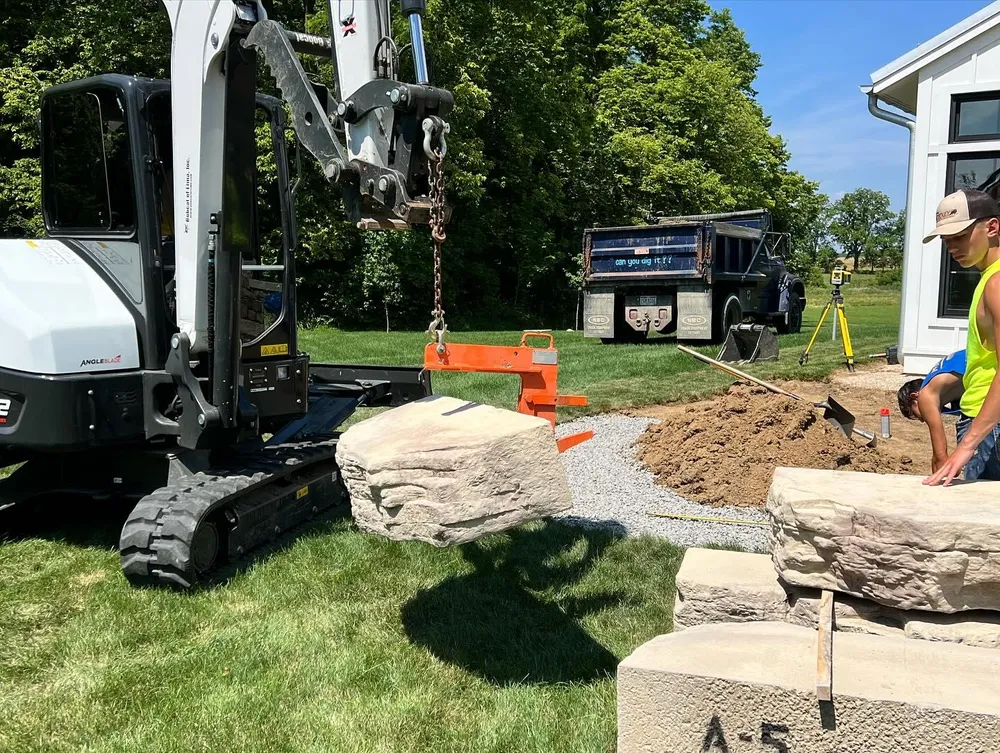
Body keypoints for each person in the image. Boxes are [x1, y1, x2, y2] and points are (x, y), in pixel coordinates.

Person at [923, 189, 1000, 485]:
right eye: (945, 240)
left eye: (959, 236)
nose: (952, 247)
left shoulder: (995, 284)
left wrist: (967, 445)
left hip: (989, 428)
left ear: (991, 227)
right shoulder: (988, 278)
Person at [897, 349, 965, 473]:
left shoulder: (925, 395)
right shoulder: (946, 387)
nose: (923, 420)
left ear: (914, 396)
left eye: (916, 415)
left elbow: (940, 458)